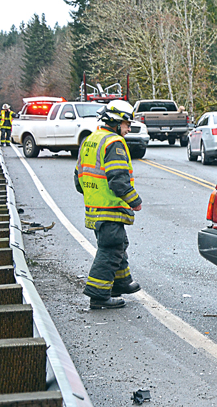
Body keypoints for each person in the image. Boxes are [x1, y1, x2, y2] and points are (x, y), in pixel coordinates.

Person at [74, 100, 142, 309]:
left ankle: (121, 282)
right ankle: (99, 295)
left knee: (117, 245)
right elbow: (118, 179)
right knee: (110, 250)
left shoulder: (91, 140)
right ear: (114, 121)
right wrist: (135, 201)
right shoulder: (114, 142)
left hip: (95, 208)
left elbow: (78, 180)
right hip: (110, 206)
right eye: (126, 124)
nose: (128, 128)